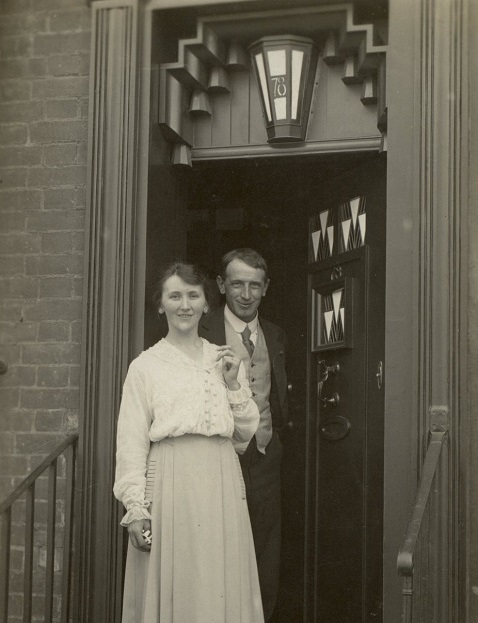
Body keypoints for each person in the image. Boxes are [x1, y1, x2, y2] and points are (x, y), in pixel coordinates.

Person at [113, 261, 264, 623]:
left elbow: (244, 433)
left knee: (219, 579)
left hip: (221, 483)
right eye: (175, 295)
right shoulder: (145, 367)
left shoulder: (223, 360)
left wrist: (231, 384)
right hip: (170, 483)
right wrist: (135, 507)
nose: (185, 305)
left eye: (193, 296)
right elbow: (131, 441)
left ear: (206, 303)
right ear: (160, 304)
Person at [199, 248, 288, 622]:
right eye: (237, 284)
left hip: (266, 456)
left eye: (254, 285)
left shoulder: (276, 334)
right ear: (222, 285)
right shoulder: (201, 331)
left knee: (266, 555)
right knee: (218, 552)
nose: (246, 294)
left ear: (265, 288)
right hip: (218, 458)